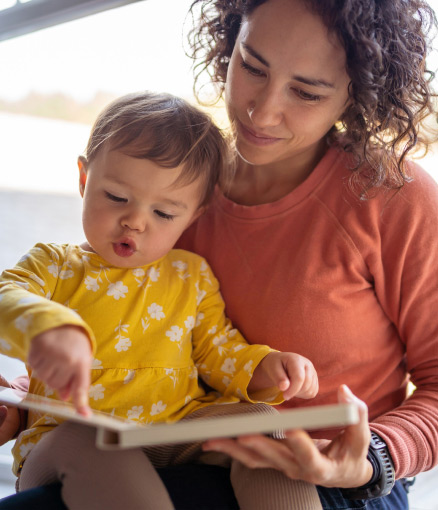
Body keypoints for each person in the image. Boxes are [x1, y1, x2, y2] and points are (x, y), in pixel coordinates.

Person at [0, 0, 437, 508]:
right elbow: (112, 316)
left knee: (262, 432)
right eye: (251, 66)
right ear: (229, 43)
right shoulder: (177, 186)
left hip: (341, 479)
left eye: (306, 91)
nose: (262, 110)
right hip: (158, 443)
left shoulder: (395, 197)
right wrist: (25, 391)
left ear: (356, 95)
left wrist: (371, 459)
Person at [0, 90, 322, 510]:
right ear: (84, 179)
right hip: (69, 439)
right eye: (117, 197)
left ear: (194, 214)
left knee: (262, 422)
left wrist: (265, 369)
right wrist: (47, 328)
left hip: (173, 429)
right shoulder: (55, 265)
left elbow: (217, 352)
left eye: (164, 214)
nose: (135, 220)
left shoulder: (192, 275)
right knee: (90, 439)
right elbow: (7, 296)